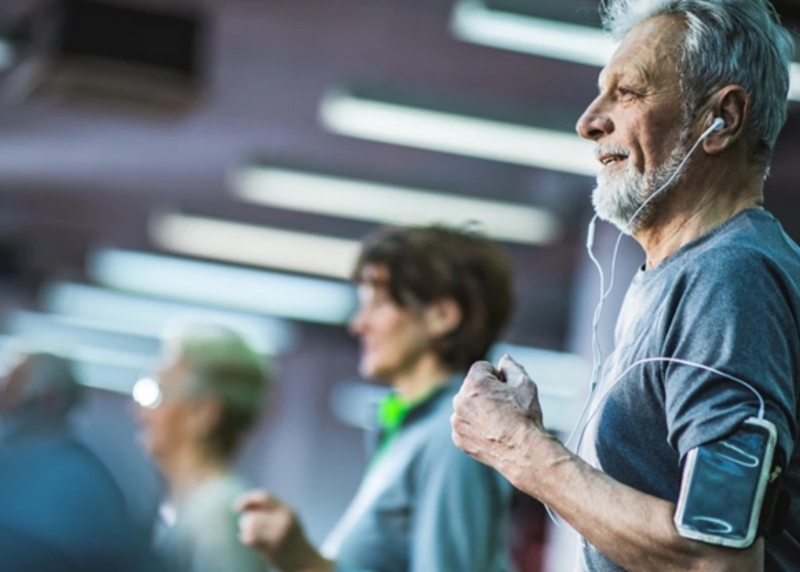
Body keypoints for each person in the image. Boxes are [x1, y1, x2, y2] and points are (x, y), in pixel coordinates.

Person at [450, 1, 800, 571]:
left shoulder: (729, 279)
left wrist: (523, 451)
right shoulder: (685, 277)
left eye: (628, 92)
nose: (590, 120)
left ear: (724, 118)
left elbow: (717, 555)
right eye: (599, 92)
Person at [237, 225, 516, 572]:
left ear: (442, 316)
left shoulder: (452, 436)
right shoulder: (407, 432)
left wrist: (306, 563)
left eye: (379, 304)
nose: (358, 324)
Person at [135, 323, 273, 572]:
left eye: (155, 393)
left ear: (202, 413)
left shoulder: (217, 516)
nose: (140, 411)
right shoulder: (192, 508)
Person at [0, 351, 153, 572]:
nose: (3, 403)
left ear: (49, 400)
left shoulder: (77, 485)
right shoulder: (95, 478)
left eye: (11, 391)